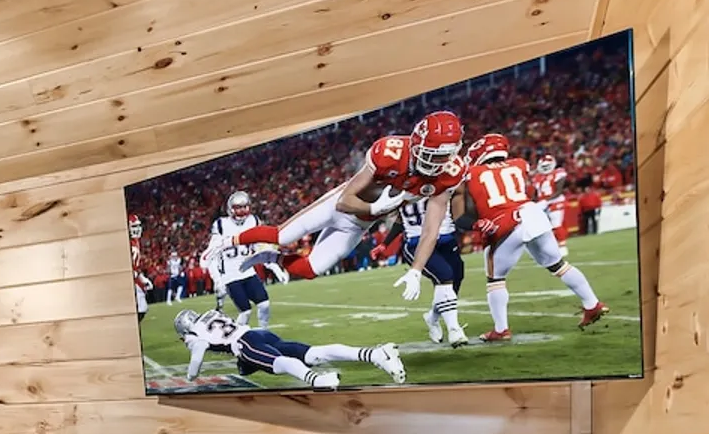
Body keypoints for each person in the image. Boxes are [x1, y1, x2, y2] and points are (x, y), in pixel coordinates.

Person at [225, 111, 468, 323]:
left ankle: (272, 258)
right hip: (337, 207)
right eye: (434, 155)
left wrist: (415, 270)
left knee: (310, 270)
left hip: (357, 225)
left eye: (445, 156)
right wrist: (374, 209)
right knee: (282, 235)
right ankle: (227, 241)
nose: (440, 162)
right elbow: (344, 201)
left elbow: (430, 231)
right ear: (416, 145)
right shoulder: (390, 153)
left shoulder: (449, 174)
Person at [454, 133, 607, 340]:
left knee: (495, 279)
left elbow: (469, 210)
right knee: (559, 265)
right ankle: (592, 303)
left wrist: (477, 222)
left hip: (505, 221)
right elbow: (528, 191)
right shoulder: (519, 164)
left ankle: (501, 329)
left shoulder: (470, 173)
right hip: (532, 213)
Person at [174, 308, 406, 390]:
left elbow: (198, 355)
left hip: (245, 343)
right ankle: (376, 354)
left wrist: (191, 377)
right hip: (259, 334)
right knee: (313, 353)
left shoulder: (194, 333)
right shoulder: (211, 314)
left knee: (279, 363)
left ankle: (317, 380)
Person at [373, 194, 469, 346]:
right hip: (416, 243)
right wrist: (385, 244)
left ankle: (432, 317)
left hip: (446, 239)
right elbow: (401, 218)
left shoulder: (440, 183)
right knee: (444, 276)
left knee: (456, 277)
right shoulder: (403, 189)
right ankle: (454, 329)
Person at [202, 191, 273, 328]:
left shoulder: (253, 221)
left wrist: (273, 265)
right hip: (230, 276)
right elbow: (211, 254)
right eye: (238, 207)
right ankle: (237, 337)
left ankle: (264, 332)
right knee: (245, 312)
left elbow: (260, 246)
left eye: (244, 207)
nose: (242, 211)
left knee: (264, 304)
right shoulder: (221, 224)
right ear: (230, 209)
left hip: (248, 271)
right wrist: (217, 279)